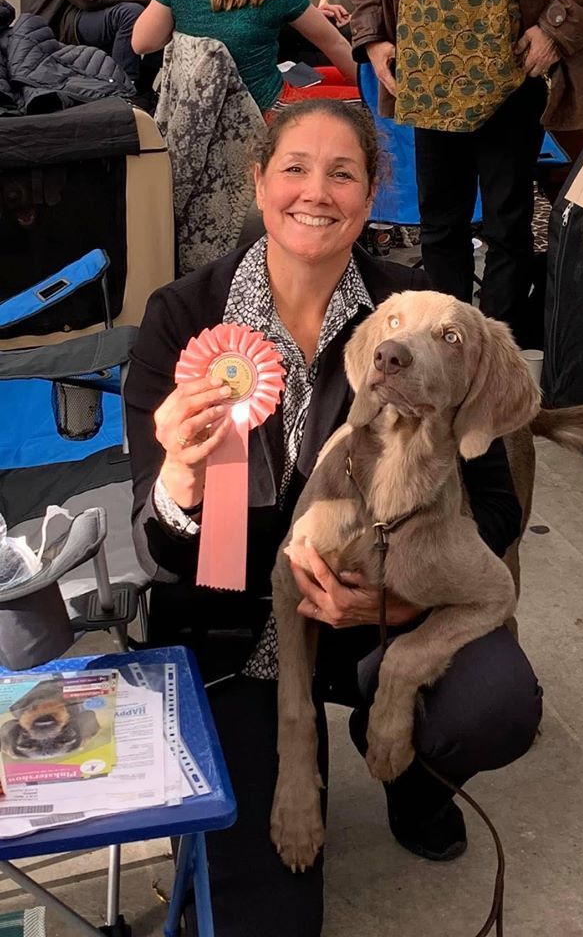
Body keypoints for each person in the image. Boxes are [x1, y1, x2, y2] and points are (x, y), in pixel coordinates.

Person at [125, 99, 542, 937]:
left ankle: (411, 775)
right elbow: (161, 547)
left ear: (369, 196)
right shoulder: (185, 316)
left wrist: (401, 608)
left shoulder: (413, 317)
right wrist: (181, 472)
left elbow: (495, 505)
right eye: (295, 168)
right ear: (259, 181)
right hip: (235, 627)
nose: (316, 191)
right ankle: (274, 753)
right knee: (266, 921)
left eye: (343, 173)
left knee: (492, 701)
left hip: (380, 622)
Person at [351, 0, 583, 348]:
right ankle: (443, 348)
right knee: (440, 228)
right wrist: (373, 37)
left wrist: (557, 28)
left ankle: (493, 353)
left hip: (515, 71)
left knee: (508, 228)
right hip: (428, 76)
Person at [130, 0, 359, 119]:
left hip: (200, 110)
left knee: (321, 74)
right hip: (267, 106)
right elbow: (335, 44)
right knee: (367, 98)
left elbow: (141, 42)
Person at [21, 0, 161, 95]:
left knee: (162, 14)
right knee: (130, 14)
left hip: (83, 8)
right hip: (55, 19)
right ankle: (124, 93)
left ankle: (143, 89)